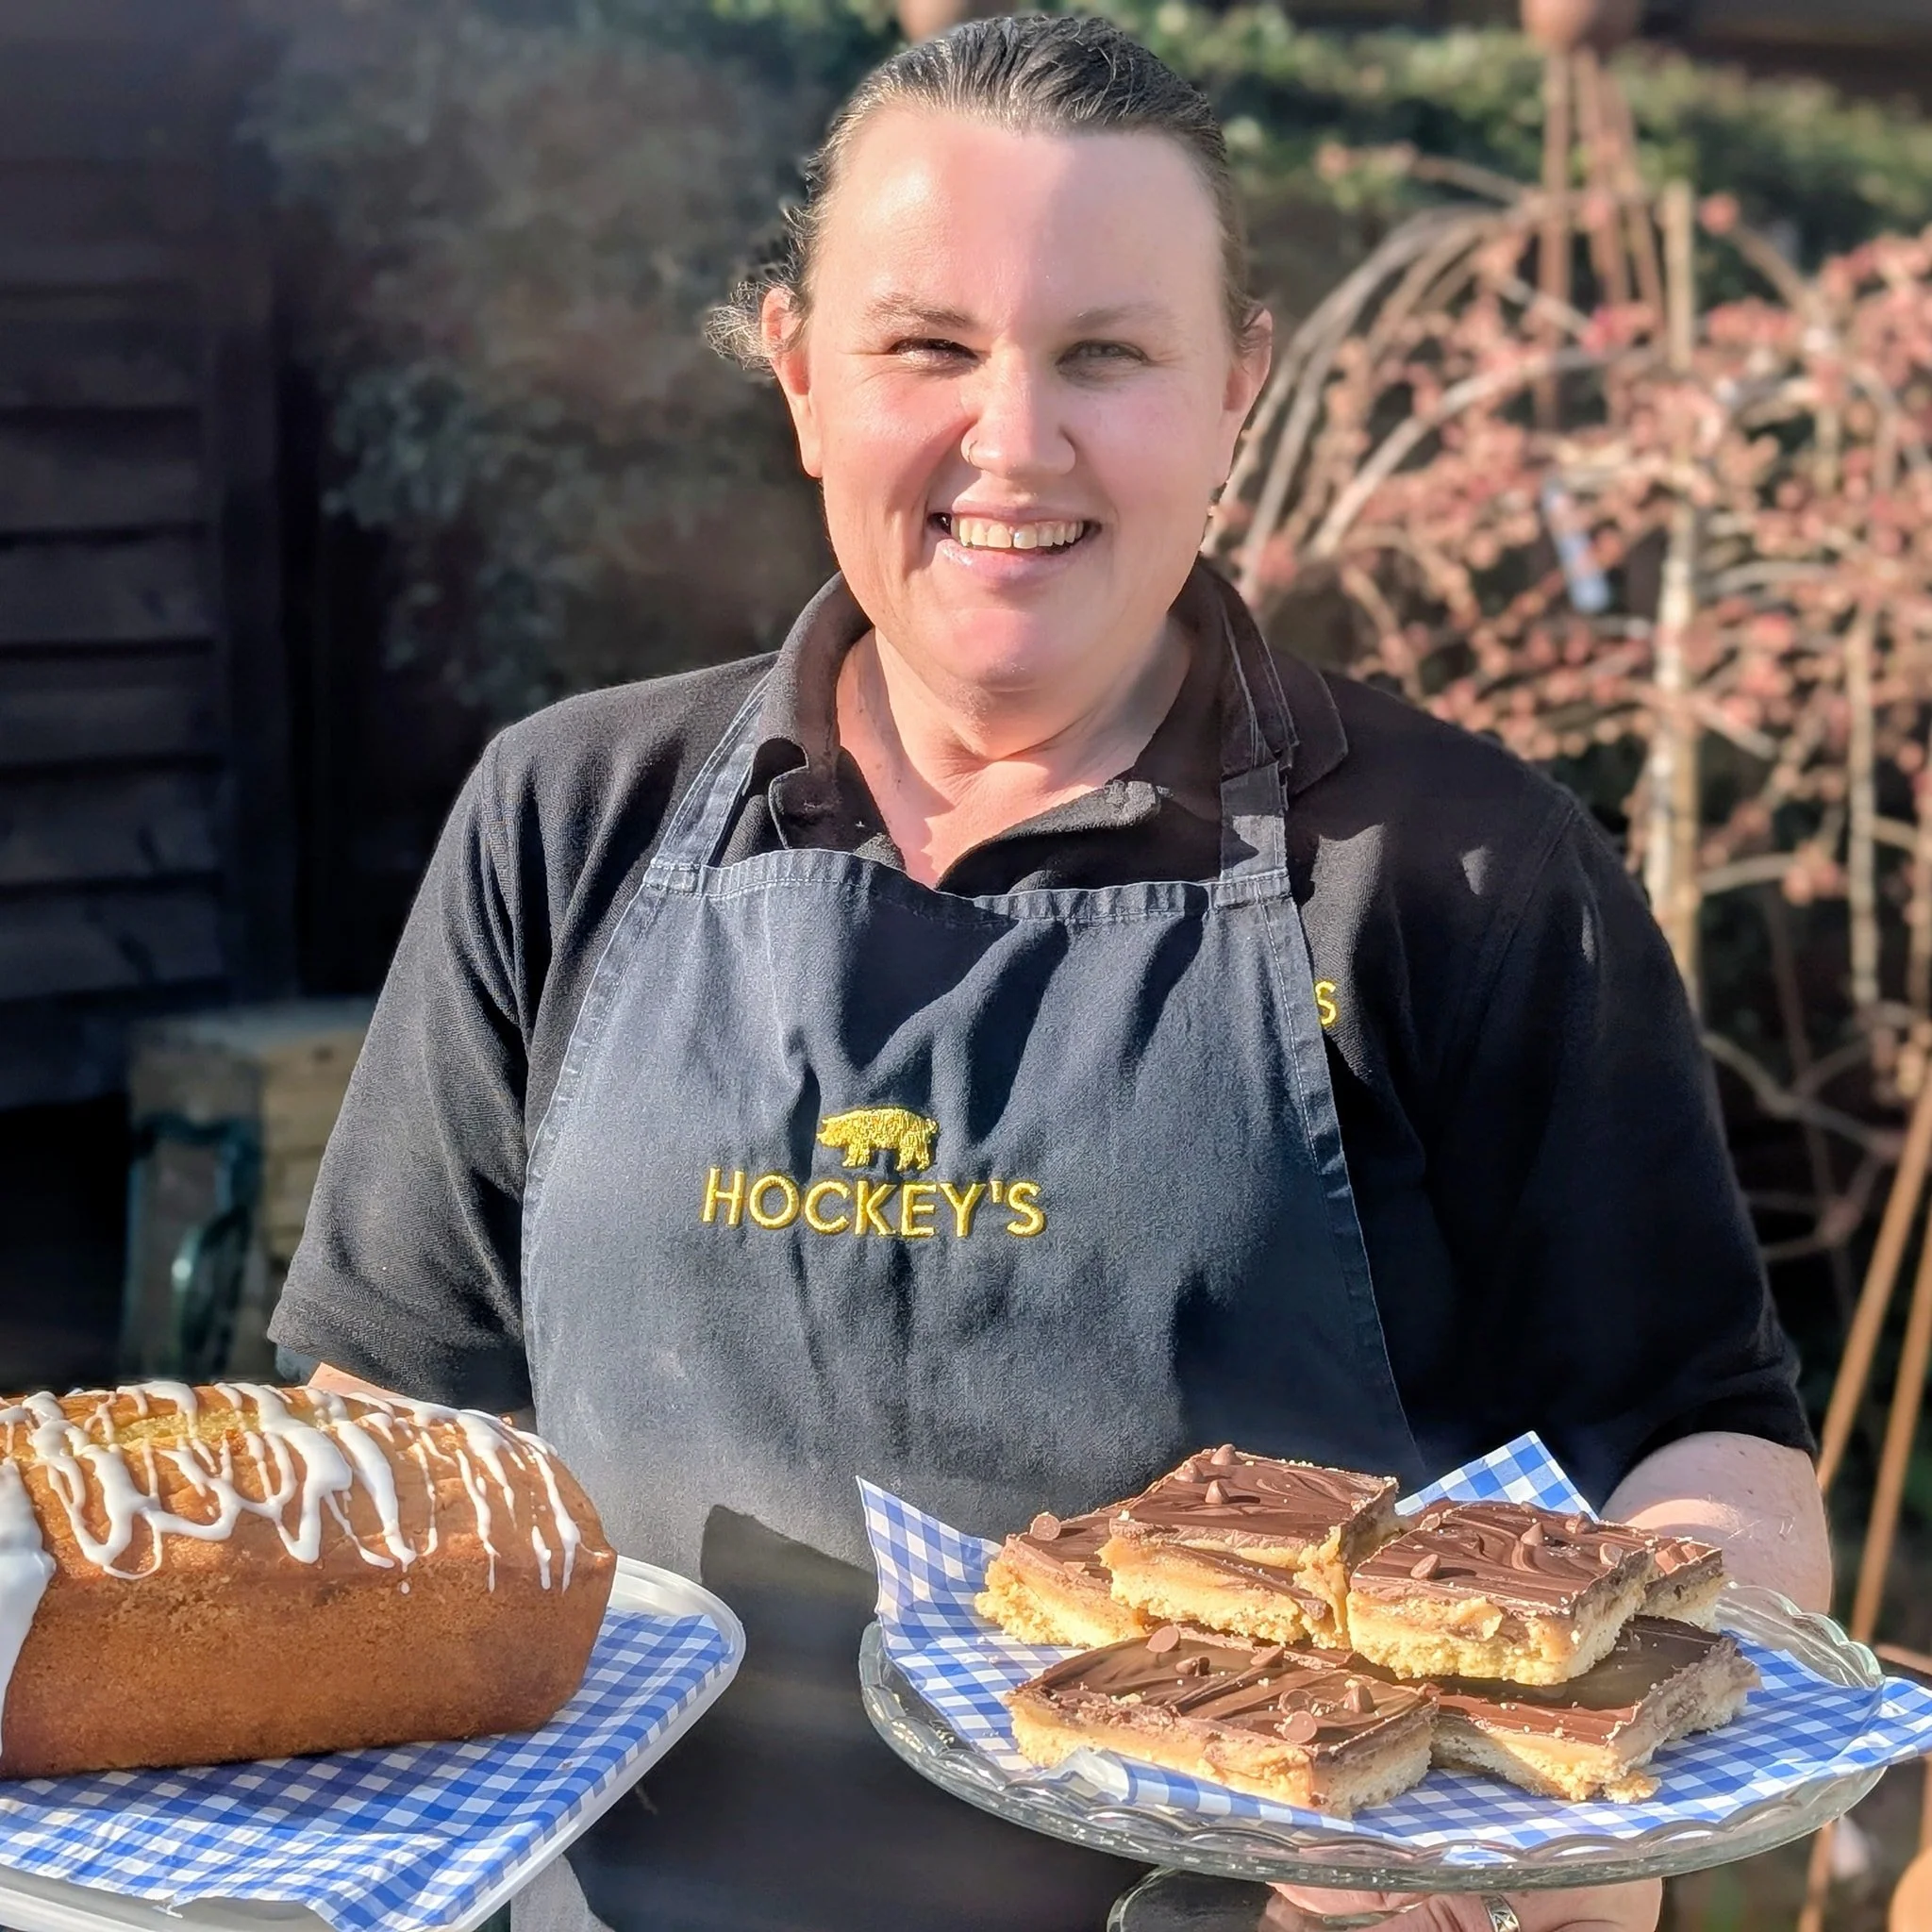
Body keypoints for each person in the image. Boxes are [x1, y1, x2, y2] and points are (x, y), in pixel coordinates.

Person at [270, 17, 1829, 1932]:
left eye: (1107, 352)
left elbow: (1701, 1442)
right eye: (927, 346)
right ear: (800, 375)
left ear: (1235, 387)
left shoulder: (1466, 872)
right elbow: (392, 1418)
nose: (1013, 439)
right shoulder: (564, 817)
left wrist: (1574, 1860)